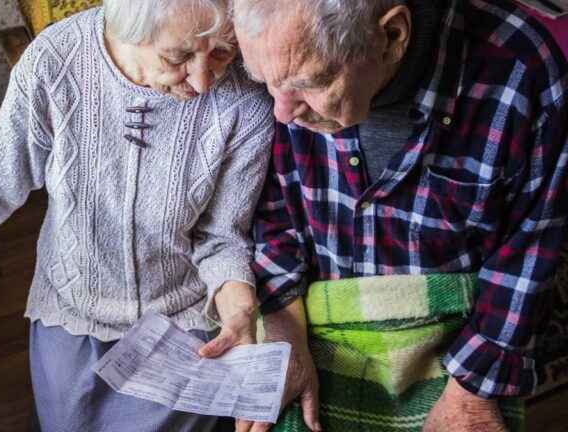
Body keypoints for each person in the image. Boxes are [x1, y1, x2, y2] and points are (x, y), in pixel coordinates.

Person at [0, 1, 275, 430]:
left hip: (182, 317)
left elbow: (221, 236)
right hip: (72, 308)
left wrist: (239, 314)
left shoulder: (247, 100)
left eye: (222, 51)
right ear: (130, 28)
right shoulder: (55, 62)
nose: (202, 81)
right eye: (177, 57)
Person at [233, 0, 568, 431]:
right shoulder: (285, 69)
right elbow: (274, 209)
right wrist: (283, 331)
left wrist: (470, 393)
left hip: (459, 351)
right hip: (312, 327)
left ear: (391, 37)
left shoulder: (521, 69)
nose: (281, 112)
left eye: (309, 83)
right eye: (264, 82)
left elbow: (530, 248)